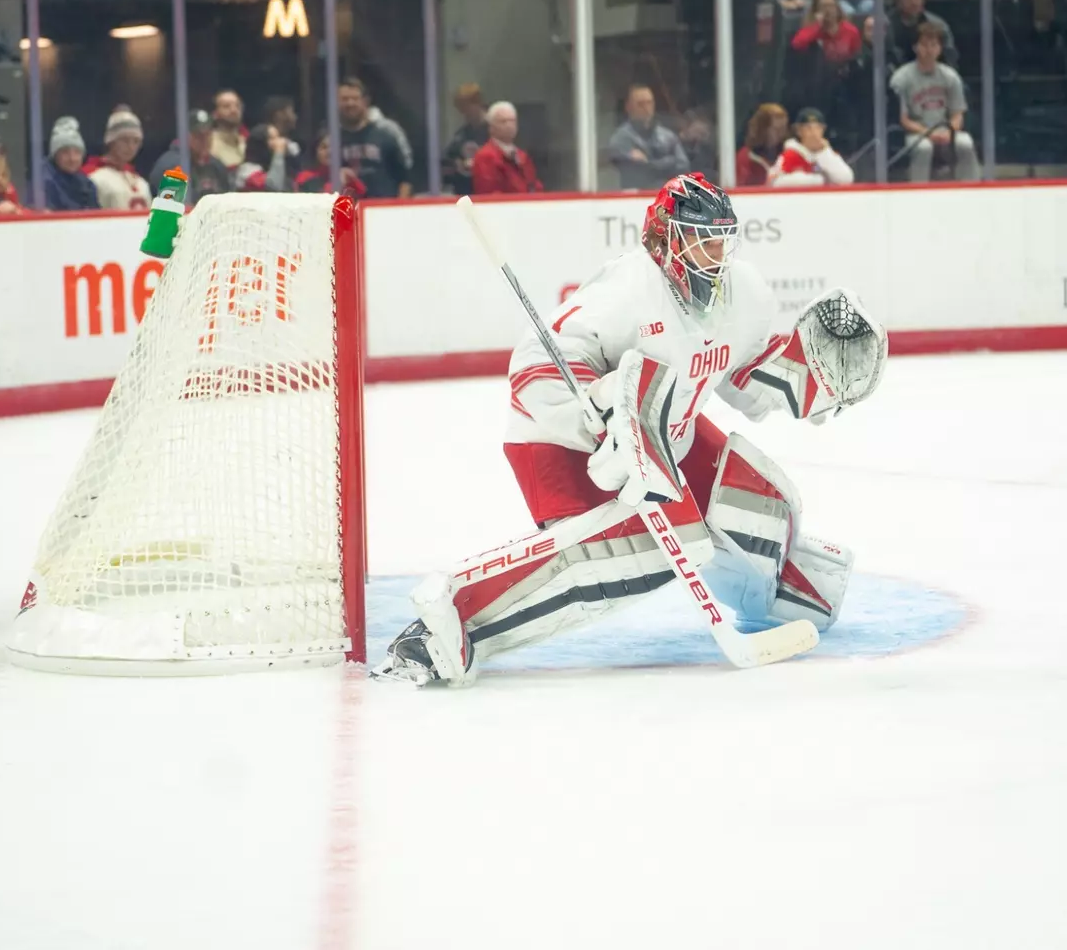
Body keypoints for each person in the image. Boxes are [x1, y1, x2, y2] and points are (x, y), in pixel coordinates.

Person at [372, 173, 882, 687]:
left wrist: (810, 374)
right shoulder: (627, 293)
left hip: (664, 436)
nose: (715, 256)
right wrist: (602, 414)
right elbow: (535, 366)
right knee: (625, 556)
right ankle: (449, 624)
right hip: (560, 444)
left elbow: (745, 373)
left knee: (760, 500)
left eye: (721, 241)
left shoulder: (742, 292)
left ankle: (778, 595)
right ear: (663, 239)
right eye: (701, 241)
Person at [889, 23, 980, 182]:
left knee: (965, 143)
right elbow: (903, 120)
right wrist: (928, 133)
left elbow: (957, 115)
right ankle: (918, 191)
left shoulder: (950, 76)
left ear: (940, 48)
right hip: (915, 133)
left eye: (934, 45)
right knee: (924, 148)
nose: (929, 50)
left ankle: (970, 188)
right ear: (915, 47)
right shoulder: (901, 79)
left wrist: (949, 131)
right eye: (924, 45)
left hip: (945, 132)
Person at [337, 77, 413, 198]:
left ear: (365, 101)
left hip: (383, 209)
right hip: (346, 211)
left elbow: (406, 178)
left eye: (355, 99)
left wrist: (399, 208)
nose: (350, 103)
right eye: (344, 99)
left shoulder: (387, 132)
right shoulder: (331, 137)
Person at [607, 83, 691, 190]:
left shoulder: (668, 136)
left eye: (649, 103)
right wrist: (669, 162)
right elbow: (637, 174)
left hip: (668, 197)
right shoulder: (621, 139)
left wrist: (649, 163)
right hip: (634, 200)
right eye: (641, 104)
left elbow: (683, 167)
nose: (646, 108)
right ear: (628, 107)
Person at [148, 108, 233, 200]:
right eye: (198, 135)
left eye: (208, 134)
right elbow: (169, 210)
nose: (204, 140)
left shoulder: (216, 166)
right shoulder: (172, 167)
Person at [86, 106, 153, 211]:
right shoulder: (95, 179)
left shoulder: (141, 183)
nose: (131, 147)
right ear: (111, 141)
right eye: (125, 140)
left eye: (136, 141)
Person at [470, 101, 543, 195]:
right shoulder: (484, 157)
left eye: (512, 121)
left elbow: (535, 186)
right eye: (503, 121)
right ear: (491, 127)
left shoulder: (523, 156)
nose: (509, 125)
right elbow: (489, 195)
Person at [770, 106, 854, 186]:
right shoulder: (790, 155)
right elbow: (775, 182)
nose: (813, 133)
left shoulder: (829, 154)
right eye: (808, 128)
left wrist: (823, 153)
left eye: (818, 128)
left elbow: (846, 179)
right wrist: (817, 180)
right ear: (799, 131)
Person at [889, 0, 959, 67]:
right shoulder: (887, 25)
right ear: (898, 1)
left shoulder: (937, 25)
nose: (914, 3)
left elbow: (950, 57)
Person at [789, 0, 862, 67]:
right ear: (816, 10)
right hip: (816, 73)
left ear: (837, 8)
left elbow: (856, 55)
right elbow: (796, 45)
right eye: (824, 6)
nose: (828, 10)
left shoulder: (850, 30)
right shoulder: (810, 29)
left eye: (831, 6)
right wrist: (818, 27)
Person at [442, 82, 491, 195]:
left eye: (466, 108)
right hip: (466, 194)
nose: (464, 113)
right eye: (461, 109)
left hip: (489, 195)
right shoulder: (461, 135)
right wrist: (457, 164)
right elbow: (446, 162)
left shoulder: (495, 131)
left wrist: (478, 163)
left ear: (477, 103)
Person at [43, 116, 97, 212]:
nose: (72, 158)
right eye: (65, 152)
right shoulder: (44, 183)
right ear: (55, 156)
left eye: (77, 152)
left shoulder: (87, 184)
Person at [736, 102, 788, 186]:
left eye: (783, 128)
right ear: (762, 129)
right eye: (776, 129)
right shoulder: (745, 158)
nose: (781, 134)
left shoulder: (786, 154)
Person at [232, 124, 293, 191]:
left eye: (278, 137)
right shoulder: (248, 170)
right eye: (272, 138)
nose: (278, 142)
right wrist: (278, 153)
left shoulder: (275, 166)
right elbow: (273, 187)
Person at [210, 89, 247, 169]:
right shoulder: (208, 144)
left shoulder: (246, 141)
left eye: (237, 105)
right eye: (226, 106)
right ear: (215, 113)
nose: (234, 110)